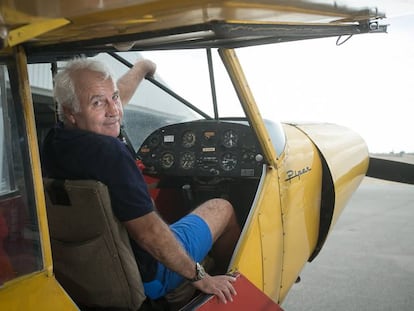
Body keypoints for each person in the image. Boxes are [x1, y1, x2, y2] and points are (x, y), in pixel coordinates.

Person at [41, 57, 241, 305]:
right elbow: (149, 233)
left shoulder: (54, 141)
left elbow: (110, 103)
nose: (114, 110)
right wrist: (201, 276)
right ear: (71, 113)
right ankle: (230, 287)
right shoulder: (109, 153)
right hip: (151, 272)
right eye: (98, 103)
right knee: (222, 207)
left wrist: (142, 68)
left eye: (113, 97)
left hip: (96, 265)